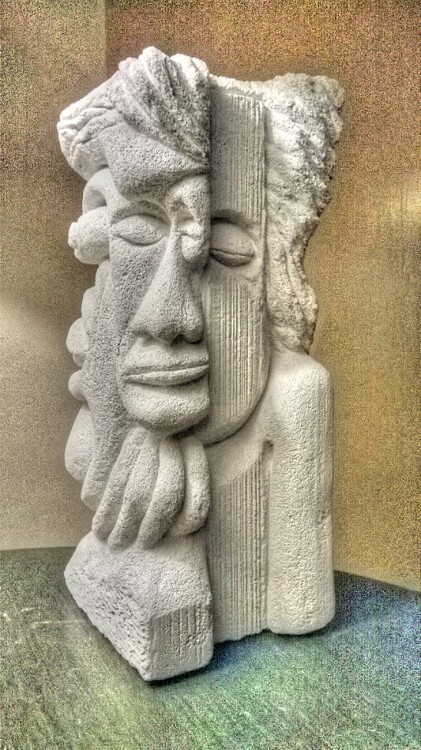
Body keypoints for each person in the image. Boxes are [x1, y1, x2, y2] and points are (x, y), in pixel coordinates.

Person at [59, 47, 343, 679]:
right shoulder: (106, 372)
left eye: (224, 250)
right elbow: (92, 463)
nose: (173, 318)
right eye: (136, 235)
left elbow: (300, 604)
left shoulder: (292, 396)